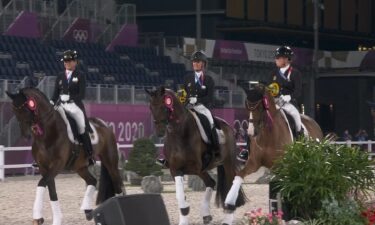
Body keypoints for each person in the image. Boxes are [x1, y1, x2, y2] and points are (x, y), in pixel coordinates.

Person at [237, 46, 303, 162]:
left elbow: (298, 91)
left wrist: (289, 96)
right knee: (255, 117)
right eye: (276, 57)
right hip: (274, 102)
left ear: (287, 59)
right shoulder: (273, 73)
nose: (276, 60)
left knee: (296, 117)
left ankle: (299, 144)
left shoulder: (295, 73)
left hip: (288, 103)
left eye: (279, 57)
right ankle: (248, 149)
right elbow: (268, 89)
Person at [156, 50, 219, 167]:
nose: (195, 64)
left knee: (210, 123)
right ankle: (167, 156)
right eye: (194, 62)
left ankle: (215, 150)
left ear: (203, 63)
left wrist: (198, 100)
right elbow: (184, 94)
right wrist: (182, 99)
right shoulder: (187, 78)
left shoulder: (209, 80)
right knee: (173, 124)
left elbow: (210, 98)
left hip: (202, 108)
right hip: (188, 108)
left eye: (198, 61)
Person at [51, 50, 95, 166]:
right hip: (61, 105)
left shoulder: (80, 75)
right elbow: (55, 93)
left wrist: (69, 97)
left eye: (69, 61)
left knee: (81, 126)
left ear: (75, 62)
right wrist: (51, 102)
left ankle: (89, 154)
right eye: (65, 61)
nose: (66, 63)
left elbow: (82, 95)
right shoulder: (60, 76)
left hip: (75, 106)